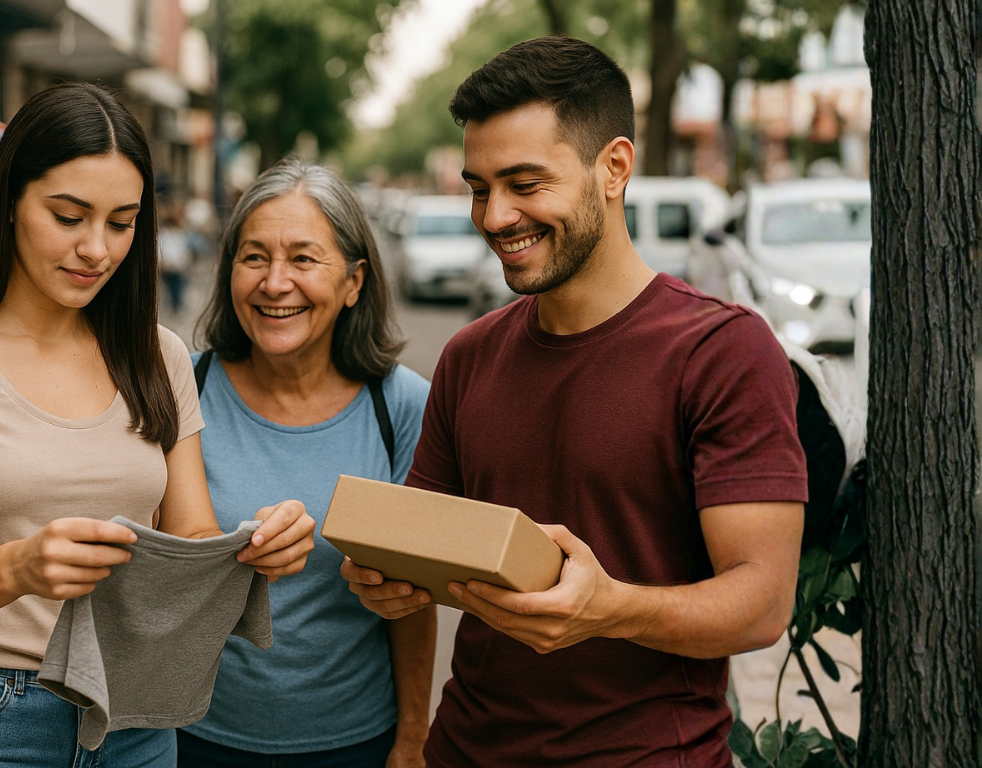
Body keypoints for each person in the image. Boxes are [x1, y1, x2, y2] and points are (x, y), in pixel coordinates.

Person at [341, 37, 808, 767]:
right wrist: (387, 581)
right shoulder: (469, 355)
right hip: (465, 749)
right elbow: (430, 555)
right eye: (478, 187)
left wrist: (610, 609)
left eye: (525, 183)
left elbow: (763, 603)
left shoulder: (722, 350)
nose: (495, 217)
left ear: (614, 167)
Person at [0, 83, 316, 768]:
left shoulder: (157, 353)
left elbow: (191, 535)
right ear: (10, 202)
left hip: (136, 713)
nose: (96, 249)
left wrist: (256, 544)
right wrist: (22, 564)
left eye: (121, 222)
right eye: (68, 215)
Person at [177, 159, 436, 767]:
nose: (274, 283)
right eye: (254, 257)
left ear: (354, 282)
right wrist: (226, 555)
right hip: (192, 739)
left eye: (303, 258)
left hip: (355, 745)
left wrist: (413, 737)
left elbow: (414, 599)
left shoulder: (400, 405)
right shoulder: (181, 389)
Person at [158, 204, 191, 315]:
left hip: (173, 265)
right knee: (175, 285)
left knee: (175, 285)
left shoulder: (169, 234)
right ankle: (175, 304)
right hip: (173, 265)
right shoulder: (174, 234)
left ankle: (176, 304)